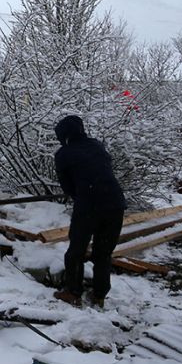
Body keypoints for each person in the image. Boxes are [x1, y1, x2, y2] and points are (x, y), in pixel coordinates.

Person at [53, 114, 126, 309]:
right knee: (103, 253)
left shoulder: (64, 154)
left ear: (64, 135)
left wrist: (83, 196)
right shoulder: (96, 145)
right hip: (116, 204)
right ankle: (99, 295)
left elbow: (68, 187)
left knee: (76, 251)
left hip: (90, 205)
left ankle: (73, 292)